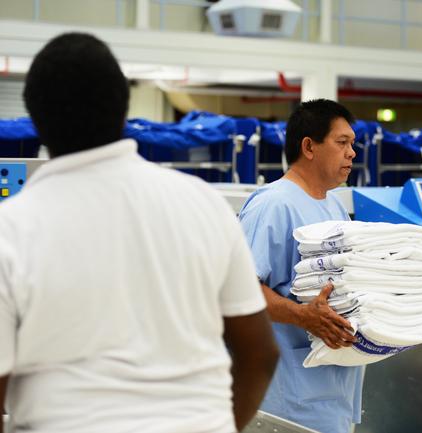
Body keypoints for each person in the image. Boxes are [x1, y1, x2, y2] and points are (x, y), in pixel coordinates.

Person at [0, 32, 278, 433]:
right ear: (123, 107)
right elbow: (260, 354)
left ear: (36, 123)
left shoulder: (13, 230)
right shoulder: (204, 205)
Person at [238, 99, 363, 433]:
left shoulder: (334, 206)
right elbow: (239, 290)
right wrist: (302, 316)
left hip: (332, 388)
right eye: (342, 143)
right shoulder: (273, 204)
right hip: (286, 395)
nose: (352, 153)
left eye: (353, 144)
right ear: (309, 146)